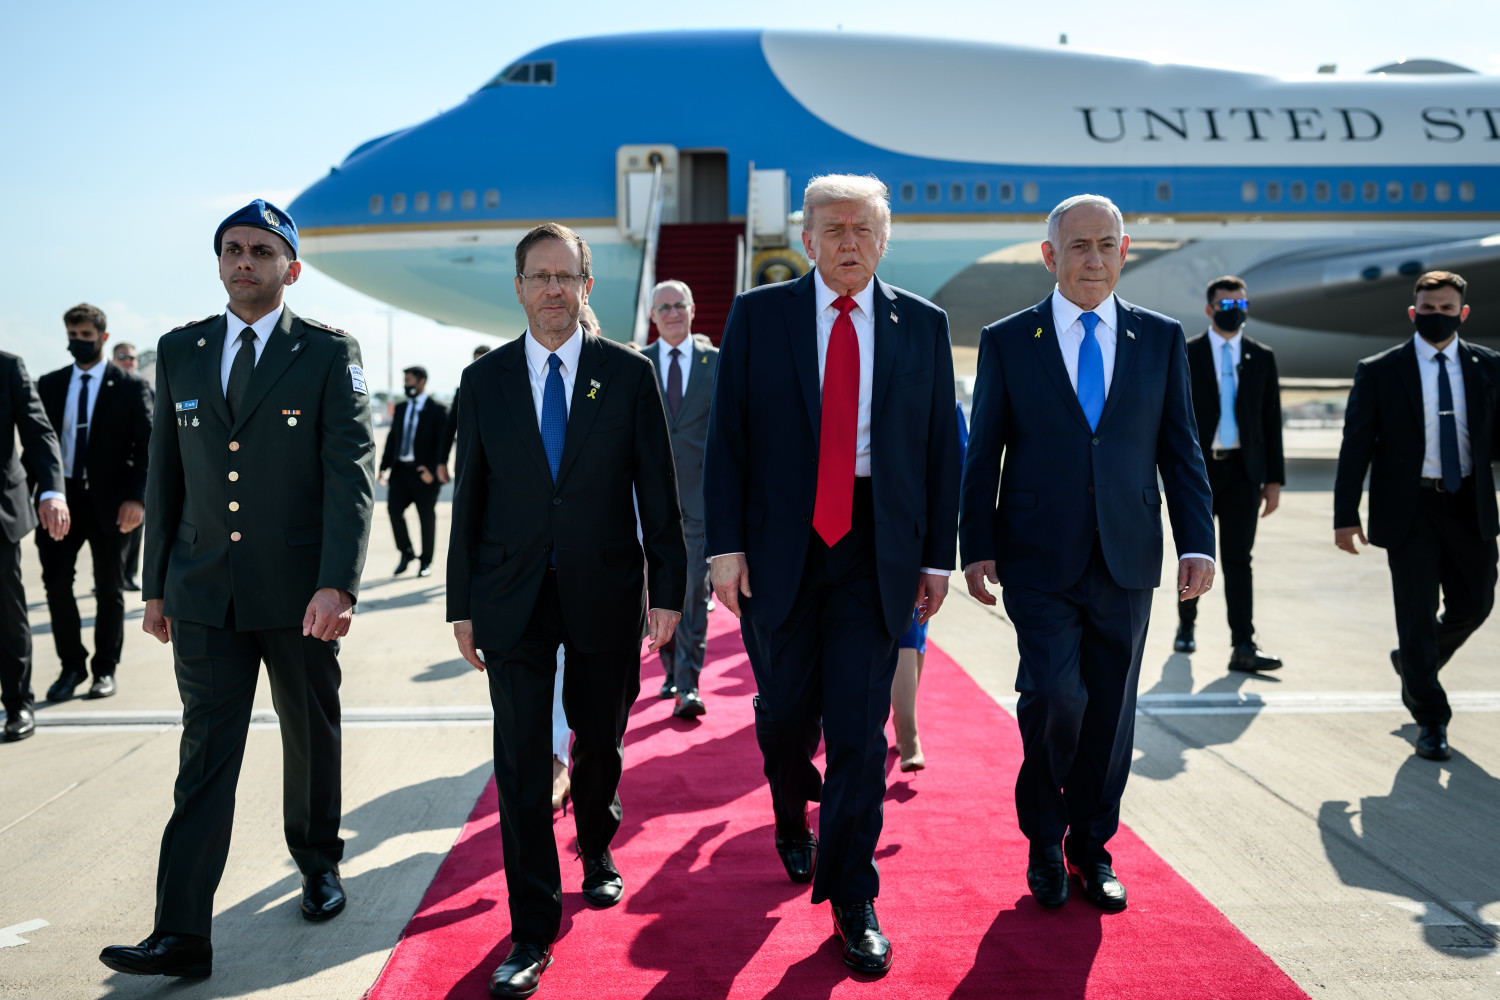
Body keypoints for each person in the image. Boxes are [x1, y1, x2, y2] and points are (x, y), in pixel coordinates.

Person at [99, 199, 375, 978]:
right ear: (218, 263)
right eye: (231, 250)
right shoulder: (181, 349)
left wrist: (337, 585)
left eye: (259, 250)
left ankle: (318, 861)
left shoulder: (326, 352)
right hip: (202, 592)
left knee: (309, 732)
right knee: (204, 756)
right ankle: (181, 932)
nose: (243, 261)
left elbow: (349, 475)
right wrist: (154, 586)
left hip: (299, 594)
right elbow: (167, 474)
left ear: (290, 267)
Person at [704, 174, 961, 976]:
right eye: (832, 227)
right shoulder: (758, 316)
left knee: (857, 729)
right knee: (785, 717)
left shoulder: (921, 325)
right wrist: (724, 546)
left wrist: (935, 554)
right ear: (806, 240)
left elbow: (940, 452)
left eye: (863, 228)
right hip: (781, 548)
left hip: (875, 549)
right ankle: (790, 809)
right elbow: (729, 440)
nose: (848, 240)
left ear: (884, 241)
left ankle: (853, 893)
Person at [447, 222, 685, 998]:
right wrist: (461, 605)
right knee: (518, 765)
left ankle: (598, 839)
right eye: (539, 276)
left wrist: (669, 592)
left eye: (567, 276)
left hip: (605, 592)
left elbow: (659, 492)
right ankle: (530, 930)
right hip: (510, 597)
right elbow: (470, 502)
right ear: (518, 288)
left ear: (588, 287)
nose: (554, 289)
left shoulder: (626, 374)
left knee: (601, 737)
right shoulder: (483, 382)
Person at [959, 194, 1214, 915]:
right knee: (1054, 696)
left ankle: (1091, 848)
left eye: (1106, 245)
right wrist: (975, 543)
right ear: (1050, 256)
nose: (1093, 259)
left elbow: (1181, 449)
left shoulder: (1160, 339)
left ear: (1124, 251)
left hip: (1128, 555)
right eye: (1078, 247)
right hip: (1037, 556)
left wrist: (1200, 541)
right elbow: (985, 455)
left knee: (1111, 711)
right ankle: (1044, 836)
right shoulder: (1010, 340)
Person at [1333, 270, 1499, 762]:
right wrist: (1346, 515)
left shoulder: (1490, 368)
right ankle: (1431, 717)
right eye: (1427, 310)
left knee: (1476, 605)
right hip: (1410, 512)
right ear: (1413, 312)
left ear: (1463, 313)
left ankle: (1412, 664)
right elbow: (1356, 445)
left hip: (1469, 504)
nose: (1436, 317)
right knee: (1416, 616)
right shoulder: (1380, 370)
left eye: (1446, 310)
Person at [34, 304, 152, 701]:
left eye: (85, 336)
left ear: (102, 338)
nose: (77, 343)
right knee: (56, 585)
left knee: (109, 588)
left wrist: (138, 498)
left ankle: (105, 669)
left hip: (111, 504)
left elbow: (148, 446)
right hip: (58, 502)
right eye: (72, 336)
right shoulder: (49, 384)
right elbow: (36, 445)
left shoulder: (131, 386)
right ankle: (70, 667)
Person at [1174, 277, 1286, 671]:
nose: (1233, 311)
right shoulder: (1187, 353)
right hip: (1198, 474)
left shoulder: (1261, 356)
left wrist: (1274, 480)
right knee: (1195, 554)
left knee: (1240, 560)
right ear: (1209, 309)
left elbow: (1271, 420)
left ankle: (1243, 644)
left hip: (1243, 472)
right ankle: (1186, 627)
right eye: (1225, 304)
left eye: (1240, 305)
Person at [647, 279, 718, 718]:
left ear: (692, 310)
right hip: (650, 505)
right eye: (664, 308)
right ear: (654, 317)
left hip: (699, 504)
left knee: (693, 594)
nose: (672, 313)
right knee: (660, 593)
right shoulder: (638, 364)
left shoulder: (717, 362)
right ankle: (670, 667)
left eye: (679, 305)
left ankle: (688, 686)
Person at [890, 401, 969, 772]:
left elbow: (962, 469)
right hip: (872, 532)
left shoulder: (944, 404)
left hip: (920, 534)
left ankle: (902, 718)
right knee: (904, 633)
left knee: (916, 633)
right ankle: (908, 732)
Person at [0, 353, 67, 742]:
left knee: (7, 617)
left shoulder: (7, 367)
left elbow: (38, 433)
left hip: (0, 515)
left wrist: (52, 491)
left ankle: (17, 703)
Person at [379, 365, 448, 577]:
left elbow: (442, 443)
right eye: (405, 381)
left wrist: (434, 470)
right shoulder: (400, 409)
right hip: (401, 471)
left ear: (421, 381)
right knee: (393, 511)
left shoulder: (437, 409)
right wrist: (383, 467)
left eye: (409, 380)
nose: (406, 385)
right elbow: (393, 439)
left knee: (426, 517)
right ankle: (406, 553)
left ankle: (425, 561)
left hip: (424, 474)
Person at [112, 341, 150, 591]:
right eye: (122, 356)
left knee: (136, 529)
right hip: (112, 473)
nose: (128, 361)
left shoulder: (145, 389)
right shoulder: (107, 390)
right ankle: (112, 574)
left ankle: (130, 574)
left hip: (139, 472)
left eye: (132, 358)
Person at [436, 343, 492, 486]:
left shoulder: (504, 390)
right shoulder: (463, 392)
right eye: (476, 362)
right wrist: (442, 462)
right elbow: (449, 429)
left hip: (497, 462)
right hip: (468, 460)